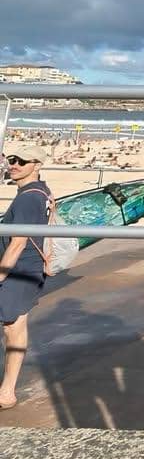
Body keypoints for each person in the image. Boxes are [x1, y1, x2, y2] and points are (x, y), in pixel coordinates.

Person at [0, 143, 53, 410]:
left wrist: (0, 275)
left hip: (18, 271)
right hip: (27, 270)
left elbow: (18, 241)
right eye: (11, 159)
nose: (14, 164)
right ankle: (6, 391)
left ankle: (7, 390)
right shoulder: (40, 192)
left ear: (37, 165)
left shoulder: (28, 197)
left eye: (22, 160)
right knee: (15, 328)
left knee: (13, 328)